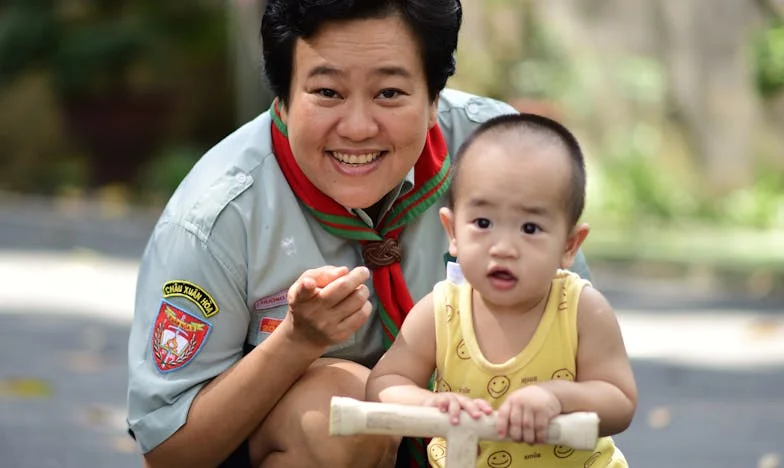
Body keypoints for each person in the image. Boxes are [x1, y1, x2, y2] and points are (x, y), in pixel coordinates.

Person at [125, 1, 592, 467]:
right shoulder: (217, 215)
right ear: (283, 99)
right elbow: (169, 452)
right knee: (344, 409)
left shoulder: (506, 157)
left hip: (483, 444)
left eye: (389, 93)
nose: (357, 128)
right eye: (327, 92)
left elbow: (582, 360)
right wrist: (295, 342)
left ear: (434, 99)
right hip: (298, 452)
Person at [366, 113, 637, 467]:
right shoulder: (441, 311)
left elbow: (619, 400)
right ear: (453, 232)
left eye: (530, 228)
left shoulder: (581, 309)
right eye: (483, 223)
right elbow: (384, 383)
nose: (504, 248)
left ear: (570, 245)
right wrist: (430, 404)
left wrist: (557, 398)